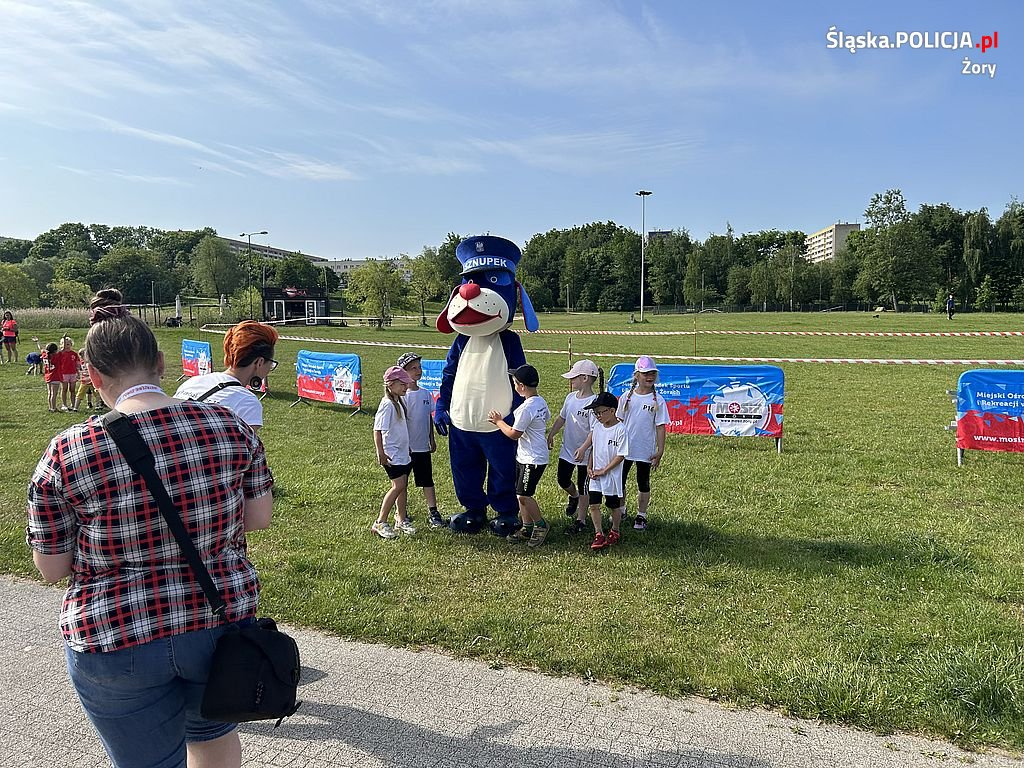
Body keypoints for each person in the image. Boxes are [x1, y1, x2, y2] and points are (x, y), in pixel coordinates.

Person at [26, 288, 274, 768]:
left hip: (114, 636)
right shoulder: (229, 426)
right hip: (219, 621)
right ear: (161, 363)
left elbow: (51, 567)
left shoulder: (67, 450)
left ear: (93, 375)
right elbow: (258, 518)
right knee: (213, 735)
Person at [174, 320, 279, 430]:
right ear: (259, 362)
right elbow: (244, 446)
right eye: (271, 364)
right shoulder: (247, 402)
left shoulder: (192, 382)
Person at [488, 364, 551, 548]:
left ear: (521, 386)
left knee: (524, 495)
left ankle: (540, 526)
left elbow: (515, 434)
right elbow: (545, 418)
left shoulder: (527, 408)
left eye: (515, 383)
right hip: (526, 456)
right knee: (519, 494)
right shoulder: (540, 402)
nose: (514, 386)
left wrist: (499, 422)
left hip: (533, 459)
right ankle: (527, 527)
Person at [546, 359, 601, 535]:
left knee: (584, 484)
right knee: (562, 479)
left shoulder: (594, 403)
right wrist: (552, 433)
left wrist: (584, 448)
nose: (571, 380)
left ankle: (581, 520)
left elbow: (594, 431)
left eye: (573, 377)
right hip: (567, 449)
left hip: (586, 454)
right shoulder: (570, 398)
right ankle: (574, 496)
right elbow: (562, 418)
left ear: (585, 378)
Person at [616, 355, 669, 531]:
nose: (649, 377)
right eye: (645, 373)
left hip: (645, 450)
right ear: (636, 375)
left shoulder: (658, 400)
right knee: (619, 481)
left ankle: (641, 515)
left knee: (643, 481)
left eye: (652, 373)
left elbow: (660, 427)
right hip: (624, 449)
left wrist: (660, 450)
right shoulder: (626, 398)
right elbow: (617, 423)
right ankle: (621, 510)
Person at [397, 352, 447, 528]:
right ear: (403, 372)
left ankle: (433, 512)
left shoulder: (425, 394)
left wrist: (431, 439)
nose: (418, 371)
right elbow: (399, 424)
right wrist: (404, 445)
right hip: (406, 450)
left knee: (427, 479)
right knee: (401, 483)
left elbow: (428, 418)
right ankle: (401, 514)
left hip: (422, 448)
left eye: (419, 367)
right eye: (413, 368)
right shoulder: (401, 397)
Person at [372, 366, 417, 539]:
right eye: (402, 384)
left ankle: (401, 519)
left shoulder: (398, 402)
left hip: (403, 453)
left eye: (406, 384)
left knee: (403, 486)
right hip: (392, 455)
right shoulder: (387, 405)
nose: (406, 387)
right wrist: (381, 453)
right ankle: (380, 522)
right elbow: (377, 430)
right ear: (390, 384)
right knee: (398, 486)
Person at [583, 392, 628, 550]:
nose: (598, 416)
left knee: (613, 505)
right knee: (594, 504)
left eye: (601, 412)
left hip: (611, 476)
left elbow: (621, 455)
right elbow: (594, 448)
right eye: (596, 413)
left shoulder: (620, 429)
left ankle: (615, 529)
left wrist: (605, 470)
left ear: (612, 410)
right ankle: (599, 533)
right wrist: (590, 466)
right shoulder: (597, 427)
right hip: (596, 475)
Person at [53, 336, 82, 411]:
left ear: (71, 345)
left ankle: (73, 404)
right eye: (65, 344)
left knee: (72, 389)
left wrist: (78, 372)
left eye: (68, 344)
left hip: (73, 373)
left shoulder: (74, 354)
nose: (67, 346)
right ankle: (64, 404)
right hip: (64, 373)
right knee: (64, 389)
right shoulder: (60, 354)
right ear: (61, 345)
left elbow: (77, 363)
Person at [41, 341, 60, 412]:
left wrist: (37, 342)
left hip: (47, 376)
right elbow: (63, 350)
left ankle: (50, 407)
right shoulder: (55, 356)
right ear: (55, 350)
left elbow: (41, 348)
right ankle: (54, 408)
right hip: (55, 376)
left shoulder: (45, 355)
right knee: (54, 394)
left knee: (49, 393)